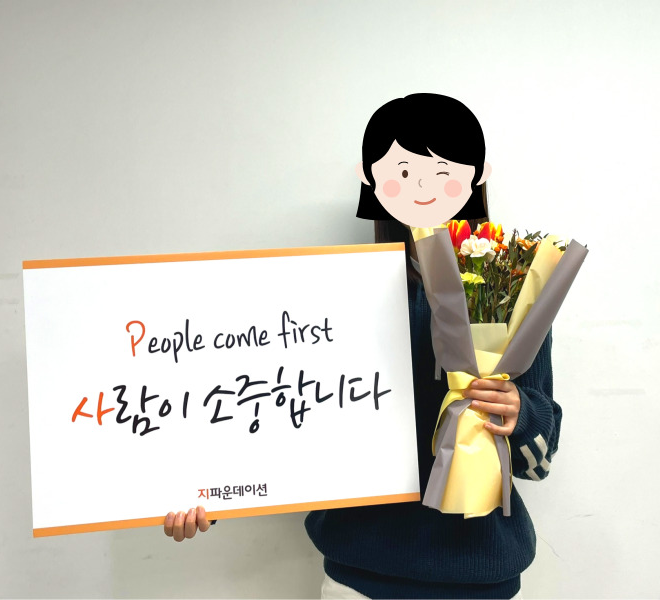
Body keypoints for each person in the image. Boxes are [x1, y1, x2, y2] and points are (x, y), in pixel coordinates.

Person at [164, 94, 562, 600]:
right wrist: (210, 494)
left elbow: (539, 461)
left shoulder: (511, 291)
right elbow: (283, 414)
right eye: (404, 171)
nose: (422, 187)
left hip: (481, 576)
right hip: (358, 577)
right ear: (371, 179)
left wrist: (519, 412)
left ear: (476, 177)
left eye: (442, 171)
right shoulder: (333, 294)